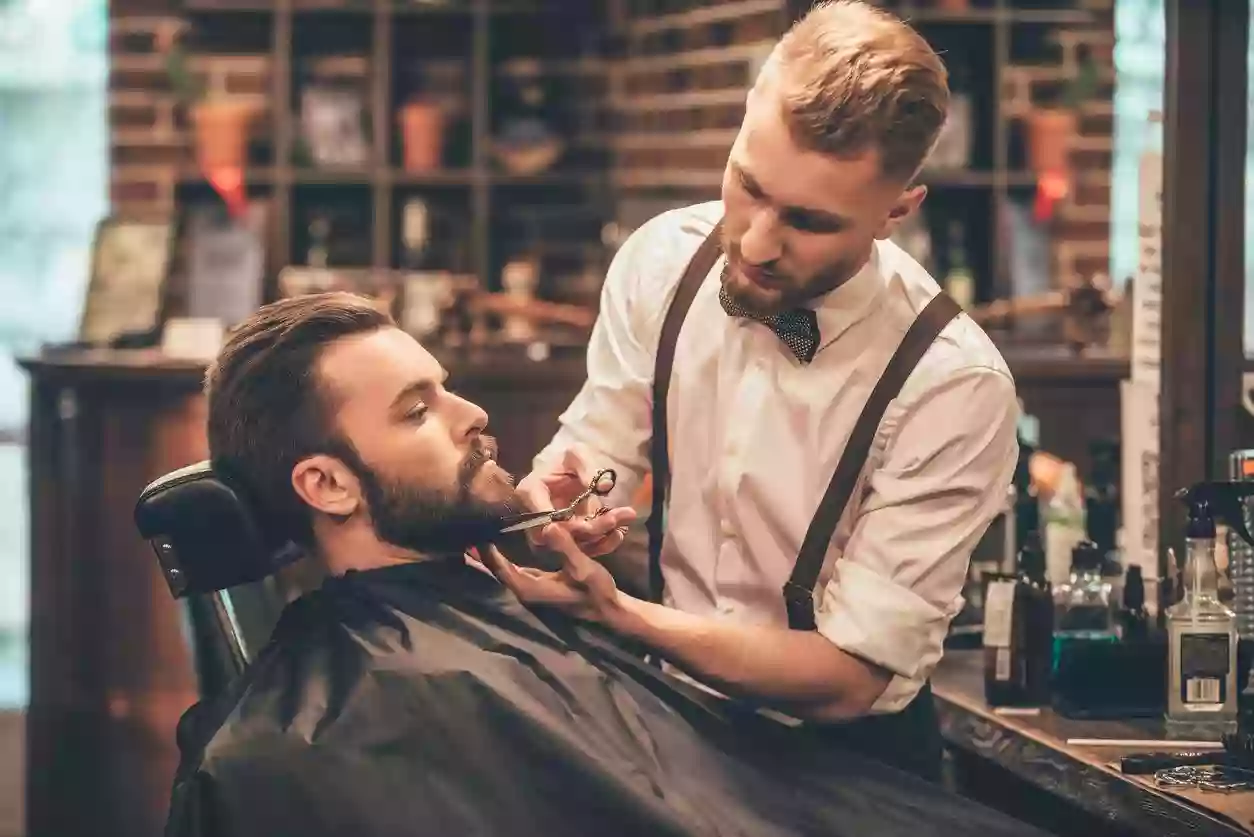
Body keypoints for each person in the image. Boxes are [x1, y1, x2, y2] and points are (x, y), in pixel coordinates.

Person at [163, 292, 1048, 837]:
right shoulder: (325, 736)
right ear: (325, 483)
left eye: (446, 386)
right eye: (416, 412)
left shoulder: (492, 612)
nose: (471, 413)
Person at [505, 0, 1020, 781]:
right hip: (670, 727)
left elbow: (853, 675)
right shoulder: (660, 263)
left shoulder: (953, 384)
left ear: (896, 211)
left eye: (809, 222)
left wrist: (621, 615)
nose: (753, 241)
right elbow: (600, 442)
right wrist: (564, 494)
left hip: (851, 771)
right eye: (748, 185)